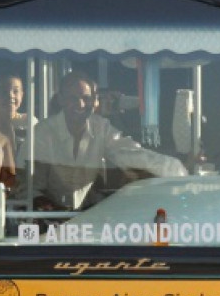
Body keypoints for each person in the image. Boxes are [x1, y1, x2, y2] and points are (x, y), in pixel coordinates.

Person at [32, 72, 186, 211]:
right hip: (40, 219)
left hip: (81, 219)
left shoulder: (101, 128)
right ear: (61, 100)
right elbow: (25, 181)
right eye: (73, 98)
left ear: (95, 101)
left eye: (86, 98)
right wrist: (40, 202)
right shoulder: (41, 132)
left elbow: (129, 152)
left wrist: (174, 169)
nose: (80, 104)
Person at [0, 73, 36, 162]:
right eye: (4, 91)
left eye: (15, 91)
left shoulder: (28, 122)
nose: (10, 95)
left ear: (22, 95)